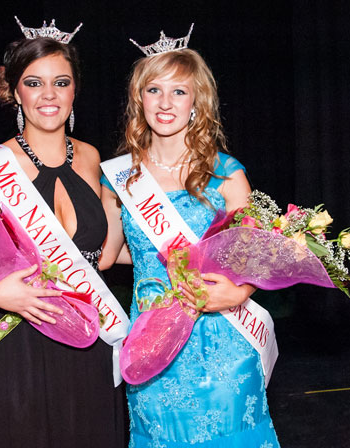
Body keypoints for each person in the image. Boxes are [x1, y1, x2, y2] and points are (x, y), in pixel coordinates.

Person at [100, 27, 281, 447]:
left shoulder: (226, 172)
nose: (165, 103)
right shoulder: (120, 177)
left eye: (179, 92)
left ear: (197, 101)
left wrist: (239, 292)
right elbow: (110, 254)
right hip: (152, 339)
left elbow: (255, 255)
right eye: (154, 90)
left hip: (221, 337)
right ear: (138, 99)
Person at [0, 20, 126, 448]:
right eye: (34, 83)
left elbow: (103, 255)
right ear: (15, 92)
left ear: (74, 90)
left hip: (89, 331)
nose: (49, 95)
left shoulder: (91, 158)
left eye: (61, 82)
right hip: (18, 335)